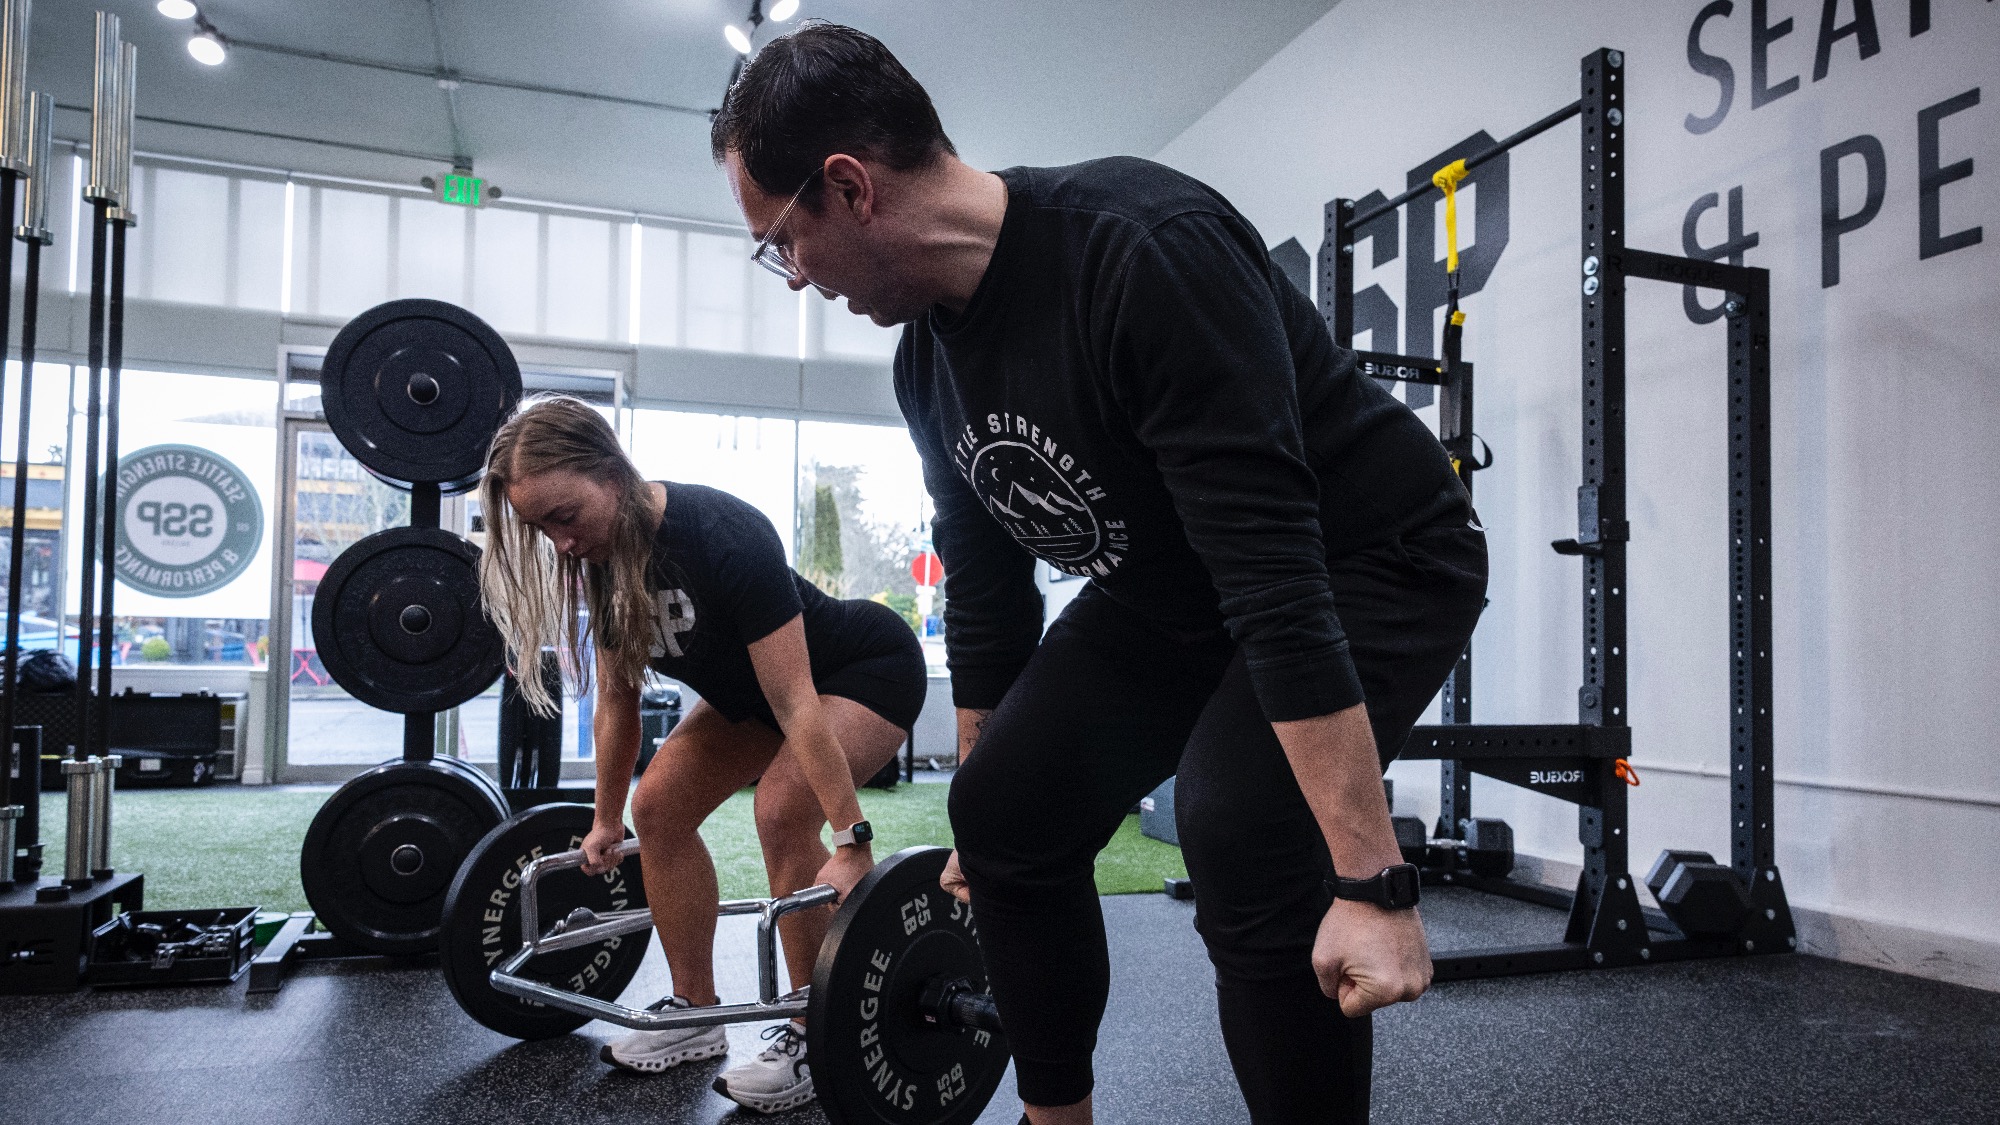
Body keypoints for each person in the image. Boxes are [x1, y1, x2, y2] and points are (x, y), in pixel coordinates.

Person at [710, 23, 1488, 1125]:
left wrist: (1371, 884)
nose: (791, 276)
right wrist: (988, 806)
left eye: (782, 241)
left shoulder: (1139, 250)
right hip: (1169, 589)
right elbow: (983, 586)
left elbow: (1272, 578)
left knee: (1237, 823)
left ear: (848, 187)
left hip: (1371, 555)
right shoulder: (926, 357)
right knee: (1006, 809)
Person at [476, 395, 926, 1114]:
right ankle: (696, 1011)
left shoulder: (722, 534)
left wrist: (850, 836)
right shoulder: (601, 559)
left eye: (565, 515)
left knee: (782, 811)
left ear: (612, 476)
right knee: (657, 806)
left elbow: (795, 702)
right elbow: (618, 703)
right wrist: (605, 818)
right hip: (759, 695)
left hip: (862, 672)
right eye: (541, 528)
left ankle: (816, 1032)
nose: (559, 540)